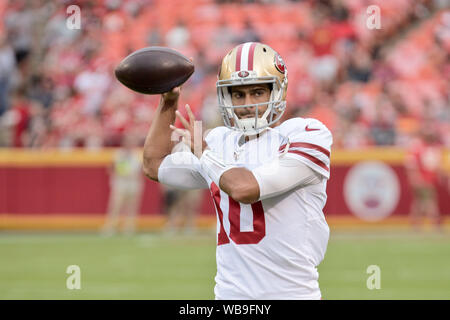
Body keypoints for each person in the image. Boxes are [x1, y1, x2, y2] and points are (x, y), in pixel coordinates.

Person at [143, 42, 332, 299]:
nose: (247, 104)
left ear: (277, 92)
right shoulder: (220, 141)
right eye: (238, 94)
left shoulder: (305, 135)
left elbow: (245, 189)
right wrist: (169, 100)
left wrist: (205, 153)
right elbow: (154, 164)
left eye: (257, 92)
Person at [101, 133, 144, 236]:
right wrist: (119, 172)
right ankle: (111, 226)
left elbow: (142, 170)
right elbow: (111, 168)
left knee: (131, 207)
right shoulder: (118, 154)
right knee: (116, 206)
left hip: (134, 184)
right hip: (120, 184)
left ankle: (129, 227)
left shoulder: (137, 154)